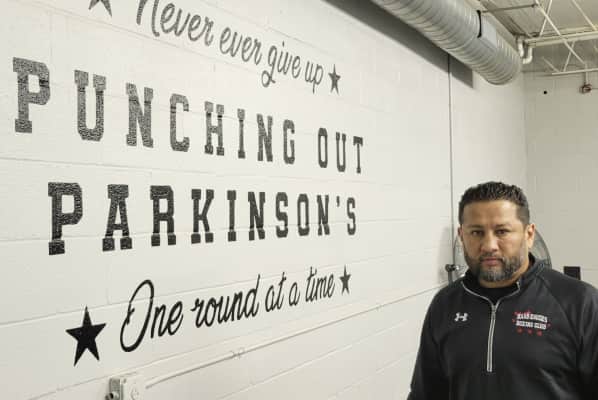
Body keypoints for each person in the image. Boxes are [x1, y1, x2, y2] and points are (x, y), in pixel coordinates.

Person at [407, 181, 598, 400]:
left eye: (502, 231)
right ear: (462, 235)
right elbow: (425, 394)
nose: (489, 245)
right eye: (476, 232)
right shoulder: (445, 304)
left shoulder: (580, 303)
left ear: (529, 234)